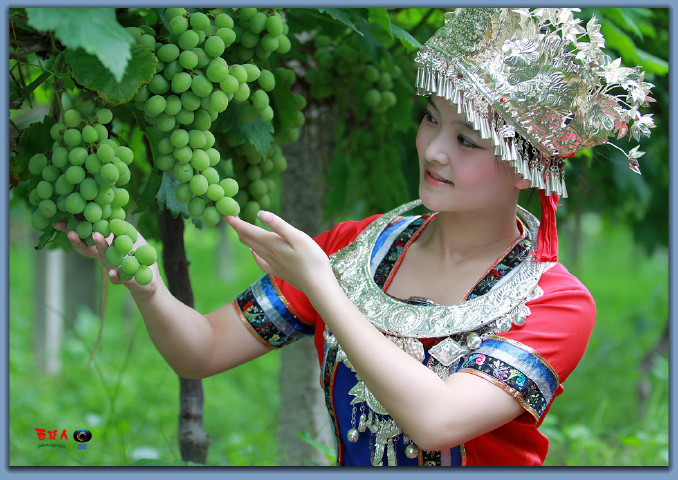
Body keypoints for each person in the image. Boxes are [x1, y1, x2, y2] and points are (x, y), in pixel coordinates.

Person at [56, 7, 654, 466]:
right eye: (430, 118)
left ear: (527, 168)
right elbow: (201, 350)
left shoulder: (555, 303)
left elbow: (437, 422)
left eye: (467, 140)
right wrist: (148, 282)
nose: (433, 149)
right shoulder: (359, 244)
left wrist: (322, 284)